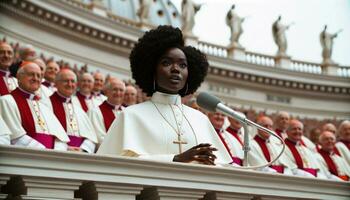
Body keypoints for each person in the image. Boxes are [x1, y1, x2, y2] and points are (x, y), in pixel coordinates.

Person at [98, 25, 231, 165]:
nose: (175, 69)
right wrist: (175, 158)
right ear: (152, 70)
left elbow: (221, 165)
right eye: (166, 63)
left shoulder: (201, 119)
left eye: (182, 65)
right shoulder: (131, 115)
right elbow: (115, 163)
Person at [0, 62, 69, 150]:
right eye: (31, 74)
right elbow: (15, 137)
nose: (35, 78)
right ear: (19, 77)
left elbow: (60, 138)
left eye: (39, 76)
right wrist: (44, 151)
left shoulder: (43, 106)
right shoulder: (6, 101)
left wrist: (57, 152)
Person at [49, 69, 98, 153]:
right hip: (57, 153)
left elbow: (91, 137)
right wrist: (65, 147)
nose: (70, 84)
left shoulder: (79, 110)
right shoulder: (47, 104)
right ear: (56, 83)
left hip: (79, 155)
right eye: (66, 81)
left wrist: (83, 149)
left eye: (72, 81)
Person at [89, 78, 125, 144]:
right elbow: (99, 137)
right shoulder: (95, 112)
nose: (118, 93)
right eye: (115, 89)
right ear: (107, 92)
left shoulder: (127, 112)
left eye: (121, 90)